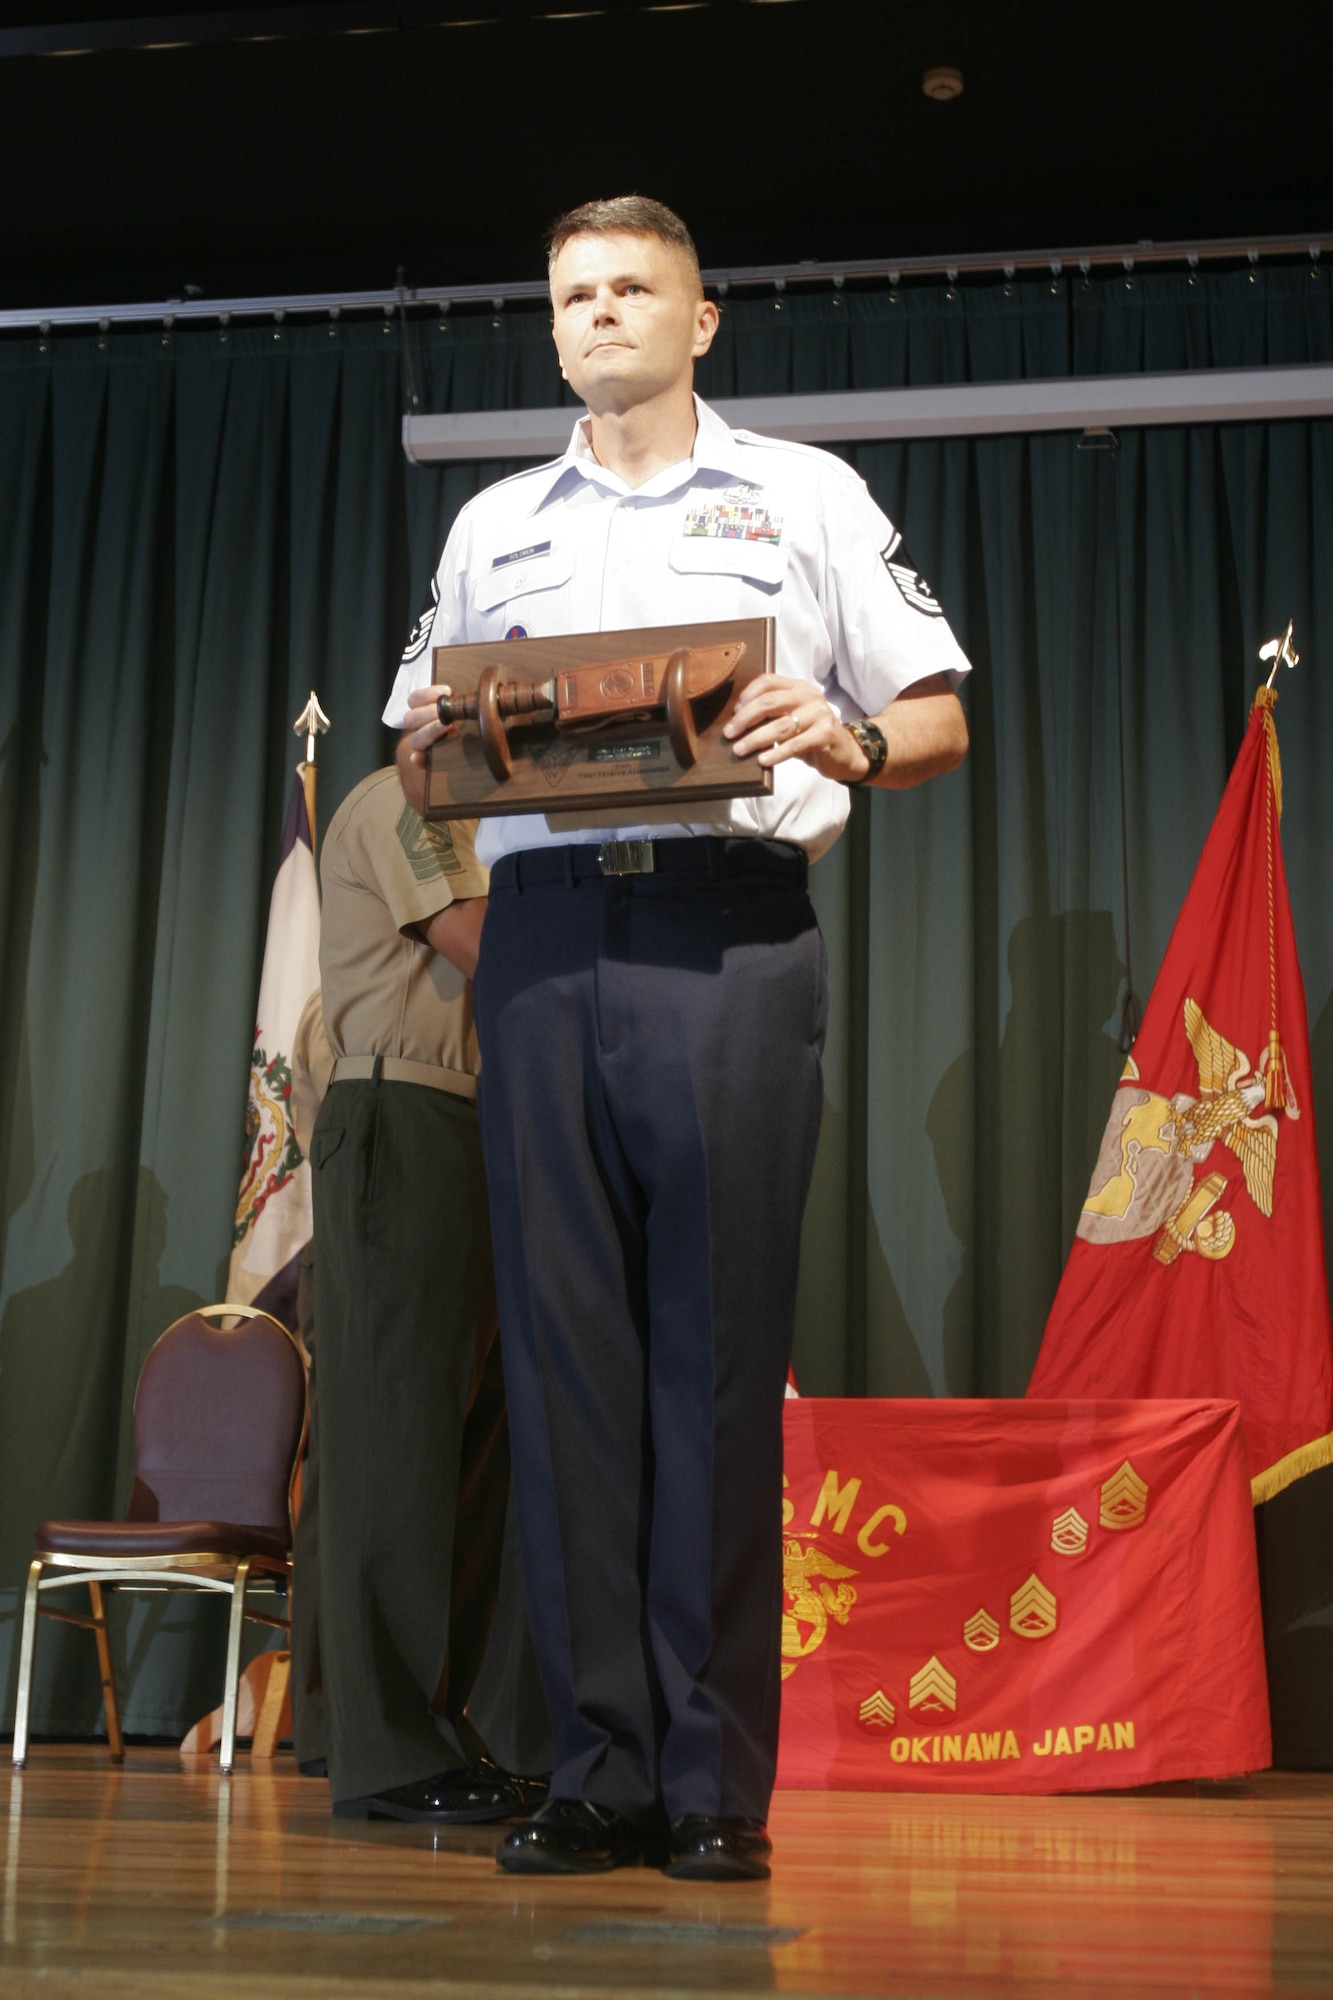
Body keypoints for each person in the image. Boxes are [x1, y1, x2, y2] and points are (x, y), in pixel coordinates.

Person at [388, 196, 970, 1879]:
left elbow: (932, 712)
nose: (598, 313)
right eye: (572, 293)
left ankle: (712, 1788)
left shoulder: (803, 493)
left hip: (727, 928)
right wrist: (445, 739)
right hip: (547, 939)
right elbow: (421, 746)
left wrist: (847, 731)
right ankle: (597, 1772)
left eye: (632, 286)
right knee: (567, 1356)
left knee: (710, 1357)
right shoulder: (492, 523)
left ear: (700, 318)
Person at [305, 766, 549, 1821]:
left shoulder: (492, 817)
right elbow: (482, 946)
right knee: (396, 1437)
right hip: (406, 1113)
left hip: (473, 1119)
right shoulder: (408, 797)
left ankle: (400, 1727)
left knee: (461, 1443)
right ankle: (391, 1748)